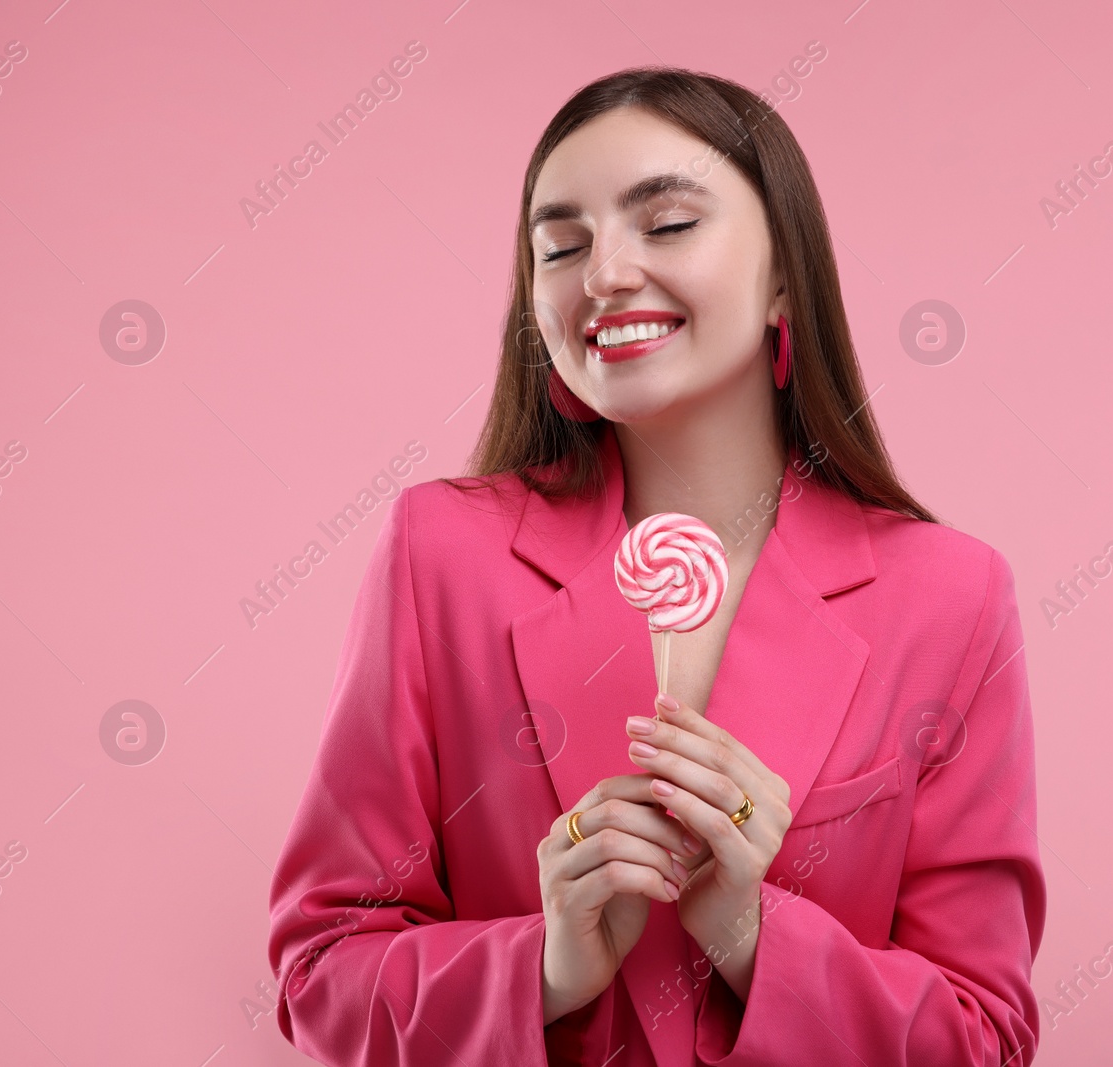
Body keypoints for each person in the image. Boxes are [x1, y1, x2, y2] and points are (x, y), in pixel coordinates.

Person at [267, 66, 1045, 1066]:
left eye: (667, 225)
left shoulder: (950, 598)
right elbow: (321, 966)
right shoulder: (440, 554)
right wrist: (546, 969)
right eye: (562, 245)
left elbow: (981, 1037)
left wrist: (749, 932)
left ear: (782, 281)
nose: (604, 276)